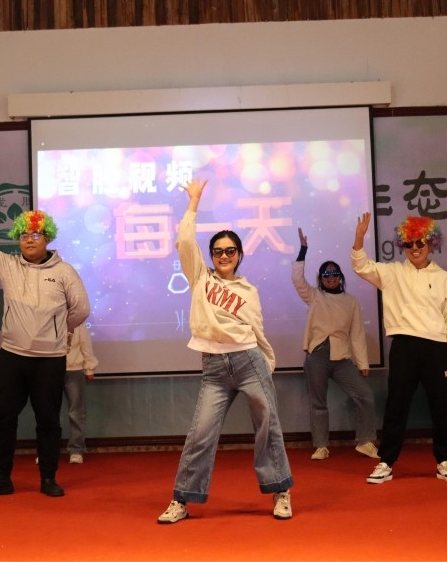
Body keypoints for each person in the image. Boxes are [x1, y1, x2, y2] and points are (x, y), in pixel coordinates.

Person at [157, 179, 294, 524]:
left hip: (249, 361)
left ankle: (281, 491)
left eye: (230, 251)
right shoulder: (200, 278)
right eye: (218, 251)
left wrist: (267, 364)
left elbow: (258, 333)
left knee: (268, 425)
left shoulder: (249, 290)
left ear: (239, 255)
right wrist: (193, 203)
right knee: (201, 433)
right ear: (211, 255)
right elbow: (184, 241)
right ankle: (181, 500)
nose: (223, 256)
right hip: (215, 368)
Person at [0, 174, 90, 499]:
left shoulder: (64, 272)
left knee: (48, 421)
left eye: (36, 234)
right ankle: (0, 478)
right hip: (12, 356)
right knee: (2, 417)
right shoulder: (8, 265)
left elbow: (81, 309)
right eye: (23, 235)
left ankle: (48, 478)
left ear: (47, 237)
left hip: (50, 360)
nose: (29, 240)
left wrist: (57, 330)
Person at [351, 213, 447, 484]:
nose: (415, 248)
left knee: (441, 406)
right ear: (403, 245)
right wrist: (359, 237)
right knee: (396, 406)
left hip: (436, 347)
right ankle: (386, 462)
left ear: (431, 243)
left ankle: (444, 460)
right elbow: (361, 266)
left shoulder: (443, 277)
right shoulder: (392, 272)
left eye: (420, 242)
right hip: (403, 346)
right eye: (409, 243)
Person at [292, 227, 379, 461]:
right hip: (317, 355)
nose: (331, 277)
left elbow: (357, 334)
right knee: (318, 403)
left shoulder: (351, 301)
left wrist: (363, 363)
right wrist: (303, 250)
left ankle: (366, 441)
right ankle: (321, 445)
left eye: (335, 273)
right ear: (321, 278)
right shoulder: (314, 296)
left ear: (341, 277)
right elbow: (297, 279)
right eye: (326, 274)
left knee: (365, 395)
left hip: (341, 358)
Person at [64, 323, 98, 464]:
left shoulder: (77, 322)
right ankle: (46, 451)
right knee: (47, 413)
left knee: (76, 412)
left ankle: (76, 450)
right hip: (49, 369)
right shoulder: (46, 318)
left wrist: (90, 367)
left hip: (74, 370)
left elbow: (85, 344)